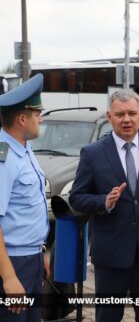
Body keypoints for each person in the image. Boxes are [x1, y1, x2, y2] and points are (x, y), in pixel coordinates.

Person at [69, 89, 139, 322]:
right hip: (111, 254)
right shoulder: (93, 153)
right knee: (108, 316)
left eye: (132, 113)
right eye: (120, 114)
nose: (126, 119)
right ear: (109, 117)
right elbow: (76, 198)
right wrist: (103, 201)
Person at [0, 74, 50, 322]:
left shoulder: (24, 147)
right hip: (12, 263)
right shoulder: (4, 157)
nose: (40, 118)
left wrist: (40, 254)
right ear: (22, 119)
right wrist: (9, 277)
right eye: (36, 113)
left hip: (30, 259)